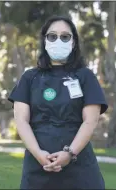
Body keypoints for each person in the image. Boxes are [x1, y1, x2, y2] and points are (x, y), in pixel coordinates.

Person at [7, 15, 108, 189]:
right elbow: (21, 121)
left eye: (65, 36)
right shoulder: (29, 78)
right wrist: (38, 154)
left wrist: (69, 153)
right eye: (52, 36)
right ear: (45, 41)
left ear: (73, 42)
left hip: (80, 170)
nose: (58, 40)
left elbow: (90, 120)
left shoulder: (85, 76)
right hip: (37, 168)